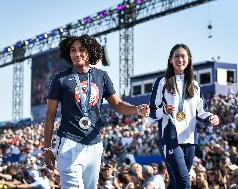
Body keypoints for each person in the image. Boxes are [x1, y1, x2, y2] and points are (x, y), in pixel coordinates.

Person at [44, 34, 149, 189]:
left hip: (94, 145)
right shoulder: (60, 79)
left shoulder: (101, 76)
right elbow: (50, 114)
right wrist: (47, 148)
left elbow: (118, 104)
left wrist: (136, 109)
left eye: (81, 49)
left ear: (90, 52)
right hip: (68, 142)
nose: (76, 53)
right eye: (73, 50)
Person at [149, 44, 219, 189]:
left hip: (190, 139)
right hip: (170, 138)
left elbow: (202, 111)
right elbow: (153, 111)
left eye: (183, 56)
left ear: (189, 60)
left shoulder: (194, 85)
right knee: (184, 181)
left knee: (176, 182)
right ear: (170, 60)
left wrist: (212, 116)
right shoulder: (161, 82)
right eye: (176, 56)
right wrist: (165, 110)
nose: (180, 59)